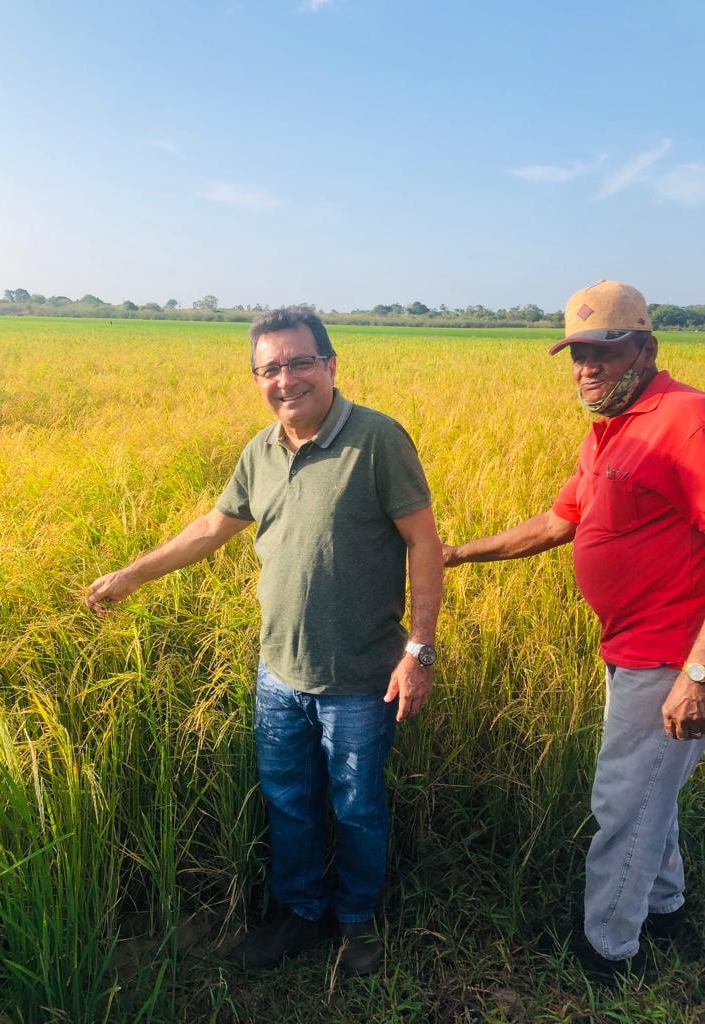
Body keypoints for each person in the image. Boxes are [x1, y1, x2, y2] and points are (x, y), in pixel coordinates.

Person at [86, 306, 443, 975]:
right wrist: (130, 576)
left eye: (300, 362)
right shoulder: (262, 449)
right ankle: (300, 914)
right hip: (279, 673)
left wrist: (418, 651)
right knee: (288, 803)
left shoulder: (377, 440)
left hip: (363, 677)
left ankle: (359, 920)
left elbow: (424, 544)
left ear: (331, 365)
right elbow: (212, 527)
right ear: (258, 378)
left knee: (358, 805)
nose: (287, 379)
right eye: (271, 368)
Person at [442, 280, 705, 978]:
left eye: (604, 352)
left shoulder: (687, 418)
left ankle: (608, 950)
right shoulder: (613, 429)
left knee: (622, 800)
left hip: (671, 657)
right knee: (654, 790)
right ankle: (669, 907)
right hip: (632, 649)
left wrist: (698, 673)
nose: (587, 367)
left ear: (646, 350)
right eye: (577, 354)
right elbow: (562, 521)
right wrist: (459, 553)